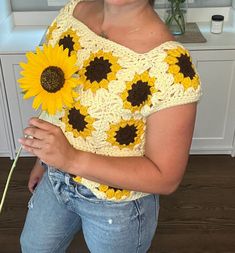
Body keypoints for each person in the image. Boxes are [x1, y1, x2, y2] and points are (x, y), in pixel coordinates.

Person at [19, 0, 201, 252]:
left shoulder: (171, 67)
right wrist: (43, 161)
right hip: (56, 179)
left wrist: (71, 159)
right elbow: (58, 102)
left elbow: (166, 178)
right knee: (32, 247)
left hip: (117, 206)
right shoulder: (71, 13)